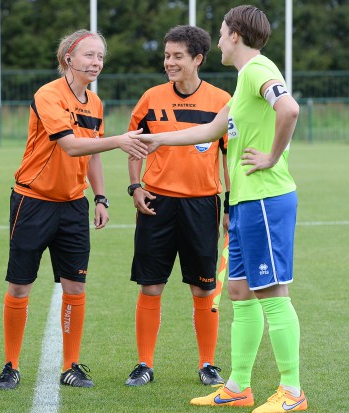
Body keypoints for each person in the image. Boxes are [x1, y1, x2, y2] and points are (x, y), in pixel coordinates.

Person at [137, 6, 307, 412]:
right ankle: (238, 387)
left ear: (235, 35)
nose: (217, 41)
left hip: (267, 197)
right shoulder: (241, 83)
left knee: (271, 292)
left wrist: (271, 156)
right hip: (246, 202)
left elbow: (290, 109)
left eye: (221, 33)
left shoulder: (257, 69)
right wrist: (162, 139)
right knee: (239, 291)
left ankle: (292, 391)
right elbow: (213, 129)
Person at [0, 29, 148, 391]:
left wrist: (101, 197)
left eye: (100, 57)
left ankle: (70, 365)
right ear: (69, 59)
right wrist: (121, 141)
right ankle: (10, 365)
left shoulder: (95, 104)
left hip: (73, 206)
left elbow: (91, 152)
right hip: (32, 202)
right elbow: (71, 146)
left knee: (75, 287)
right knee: (20, 287)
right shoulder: (48, 94)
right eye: (88, 56)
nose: (96, 63)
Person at [125, 25, 231, 388]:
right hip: (157, 202)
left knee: (203, 289)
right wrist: (135, 187)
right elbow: (135, 144)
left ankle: (208, 364)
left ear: (198, 59)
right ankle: (144, 364)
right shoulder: (151, 98)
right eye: (166, 55)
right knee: (150, 285)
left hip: (203, 205)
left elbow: (229, 158)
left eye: (177, 56)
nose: (168, 62)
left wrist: (230, 205)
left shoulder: (221, 101)